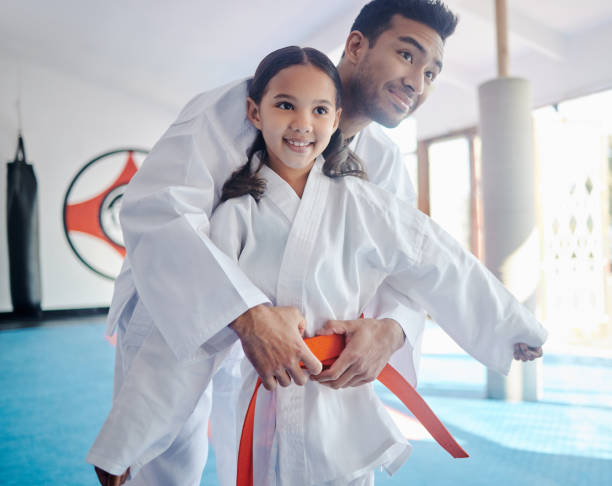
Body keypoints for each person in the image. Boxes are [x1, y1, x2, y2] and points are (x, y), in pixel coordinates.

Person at [84, 1, 496, 485]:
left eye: (432, 72)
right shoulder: (242, 106)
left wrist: (392, 329)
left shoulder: (383, 164)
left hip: (294, 337)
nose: (417, 82)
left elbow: (408, 264)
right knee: (165, 464)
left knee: (269, 460)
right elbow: (161, 208)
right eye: (408, 56)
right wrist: (246, 314)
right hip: (184, 309)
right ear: (357, 45)